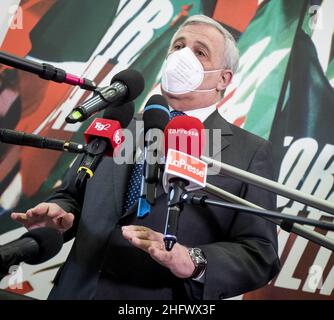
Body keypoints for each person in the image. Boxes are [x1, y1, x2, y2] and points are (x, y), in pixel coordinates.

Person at [11, 15, 280, 300]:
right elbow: (72, 195)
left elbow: (259, 252)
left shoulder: (249, 153)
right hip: (75, 291)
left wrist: (193, 260)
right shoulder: (119, 123)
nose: (183, 56)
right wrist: (59, 214)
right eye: (178, 47)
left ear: (223, 78)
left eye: (199, 52)